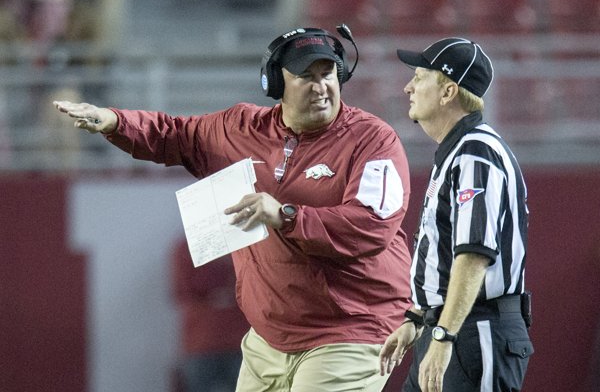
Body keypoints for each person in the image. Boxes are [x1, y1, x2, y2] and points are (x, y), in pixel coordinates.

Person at [54, 25, 413, 391]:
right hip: (269, 339)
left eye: (328, 74)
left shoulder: (372, 139)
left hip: (350, 328)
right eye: (306, 76)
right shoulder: (242, 128)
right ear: (275, 85)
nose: (322, 86)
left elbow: (371, 225)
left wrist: (286, 216)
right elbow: (174, 134)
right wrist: (115, 122)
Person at [379, 38, 533, 392]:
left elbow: (474, 255)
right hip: (450, 327)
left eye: (419, 77)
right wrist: (417, 319)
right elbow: (447, 253)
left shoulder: (474, 152)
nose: (408, 87)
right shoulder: (457, 151)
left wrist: (444, 335)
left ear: (448, 91)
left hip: (473, 329)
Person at [170, 239, 249, 392]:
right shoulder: (186, 248)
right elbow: (183, 293)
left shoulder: (243, 241)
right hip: (208, 344)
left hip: (222, 343)